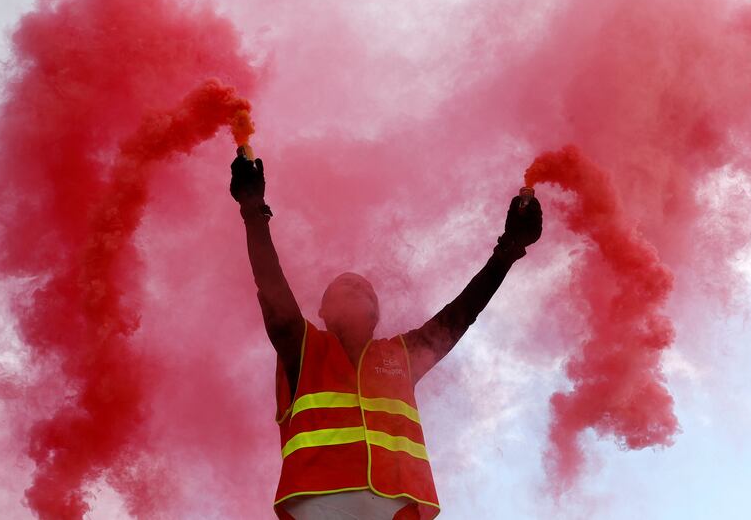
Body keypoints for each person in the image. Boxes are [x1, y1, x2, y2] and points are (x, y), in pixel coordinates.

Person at [230, 147, 542, 520]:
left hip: (398, 505)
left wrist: (508, 250)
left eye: (363, 292)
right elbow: (273, 292)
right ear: (324, 313)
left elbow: (460, 315)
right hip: (319, 500)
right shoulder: (304, 347)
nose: (355, 291)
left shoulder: (401, 356)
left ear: (377, 315)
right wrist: (253, 212)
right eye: (342, 291)